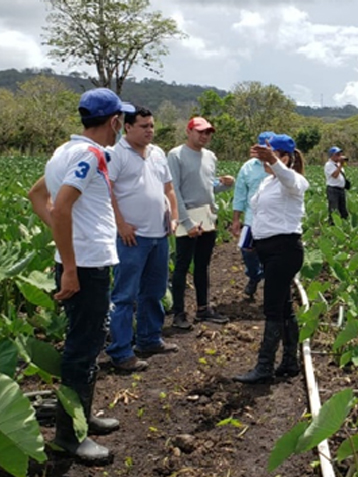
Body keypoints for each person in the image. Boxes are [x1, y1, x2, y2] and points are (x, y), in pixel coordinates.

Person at [27, 88, 134, 463]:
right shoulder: (89, 155)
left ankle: (82, 417)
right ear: (114, 122)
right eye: (122, 120)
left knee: (86, 343)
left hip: (82, 259)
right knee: (83, 348)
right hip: (85, 266)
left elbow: (37, 195)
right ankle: (70, 436)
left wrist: (64, 238)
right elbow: (60, 207)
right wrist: (70, 265)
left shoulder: (64, 151)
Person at [106, 106, 179, 372]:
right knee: (125, 295)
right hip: (132, 238)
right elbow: (108, 191)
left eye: (151, 126)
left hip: (159, 234)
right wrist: (121, 224)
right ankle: (121, 351)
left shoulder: (158, 153)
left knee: (155, 291)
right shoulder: (116, 154)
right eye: (144, 126)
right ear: (128, 127)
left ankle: (149, 339)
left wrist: (173, 216)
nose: (150, 130)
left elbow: (168, 188)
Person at [233, 134, 309, 384]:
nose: (265, 160)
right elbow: (261, 213)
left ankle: (264, 366)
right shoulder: (267, 182)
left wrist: (275, 162)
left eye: (273, 154)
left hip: (284, 250)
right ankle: (289, 362)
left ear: (285, 157)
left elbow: (290, 179)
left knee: (272, 309)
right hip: (268, 250)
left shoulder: (294, 181)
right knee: (284, 306)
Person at [167, 117, 234, 329]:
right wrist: (186, 222)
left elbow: (207, 187)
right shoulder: (176, 155)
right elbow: (174, 190)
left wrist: (224, 186)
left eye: (208, 133)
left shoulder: (210, 156)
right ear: (189, 131)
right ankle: (179, 313)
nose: (204, 136)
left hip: (207, 215)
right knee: (182, 265)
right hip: (187, 215)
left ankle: (203, 309)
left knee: (203, 265)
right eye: (200, 132)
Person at [231, 131, 275, 298]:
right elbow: (240, 194)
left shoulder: (280, 167)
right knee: (247, 250)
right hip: (251, 219)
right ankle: (255, 276)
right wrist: (236, 219)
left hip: (273, 221)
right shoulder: (248, 167)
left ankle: (271, 287)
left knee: (271, 254)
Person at [324, 146, 348, 222]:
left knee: (342, 209)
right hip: (333, 190)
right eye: (337, 154)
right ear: (332, 155)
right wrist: (340, 165)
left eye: (340, 154)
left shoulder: (337, 164)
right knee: (334, 209)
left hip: (341, 190)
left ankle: (343, 224)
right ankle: (332, 225)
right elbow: (335, 175)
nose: (340, 156)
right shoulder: (329, 165)